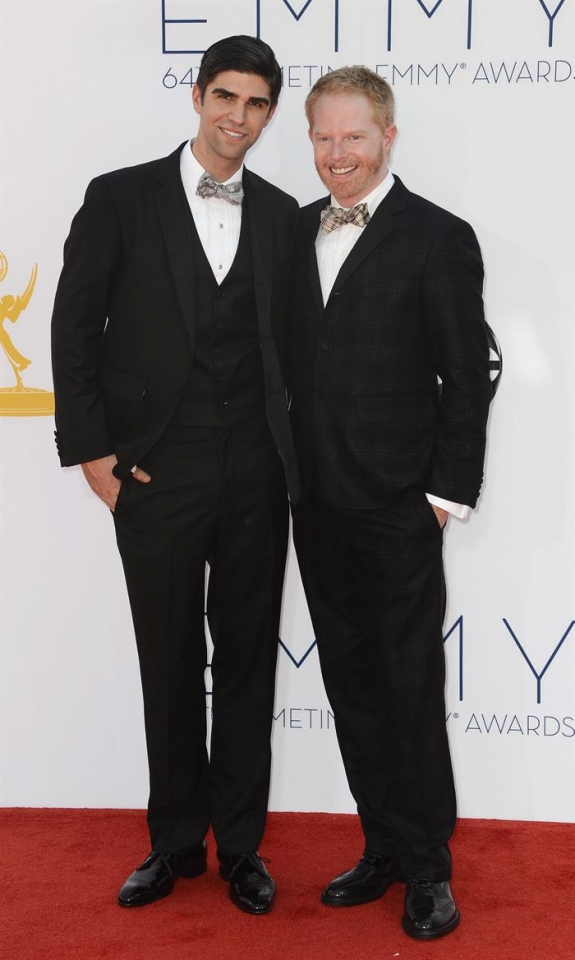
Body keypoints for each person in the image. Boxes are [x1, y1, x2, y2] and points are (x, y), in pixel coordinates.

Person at [51, 35, 300, 916]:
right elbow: (74, 327)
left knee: (244, 664)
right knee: (167, 660)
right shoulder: (119, 198)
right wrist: (92, 455)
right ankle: (172, 844)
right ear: (197, 96)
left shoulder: (281, 213)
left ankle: (240, 849)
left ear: (271, 114)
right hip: (154, 469)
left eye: (257, 103)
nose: (238, 117)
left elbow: (298, 351)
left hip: (258, 474)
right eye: (225, 97)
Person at [289, 67, 492, 940]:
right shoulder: (290, 233)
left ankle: (426, 868)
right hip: (313, 503)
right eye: (323, 139)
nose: (337, 155)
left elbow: (466, 380)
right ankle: (380, 845)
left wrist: (442, 498)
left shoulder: (437, 236)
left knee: (408, 685)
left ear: (388, 136)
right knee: (351, 683)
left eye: (353, 138)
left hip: (399, 508)